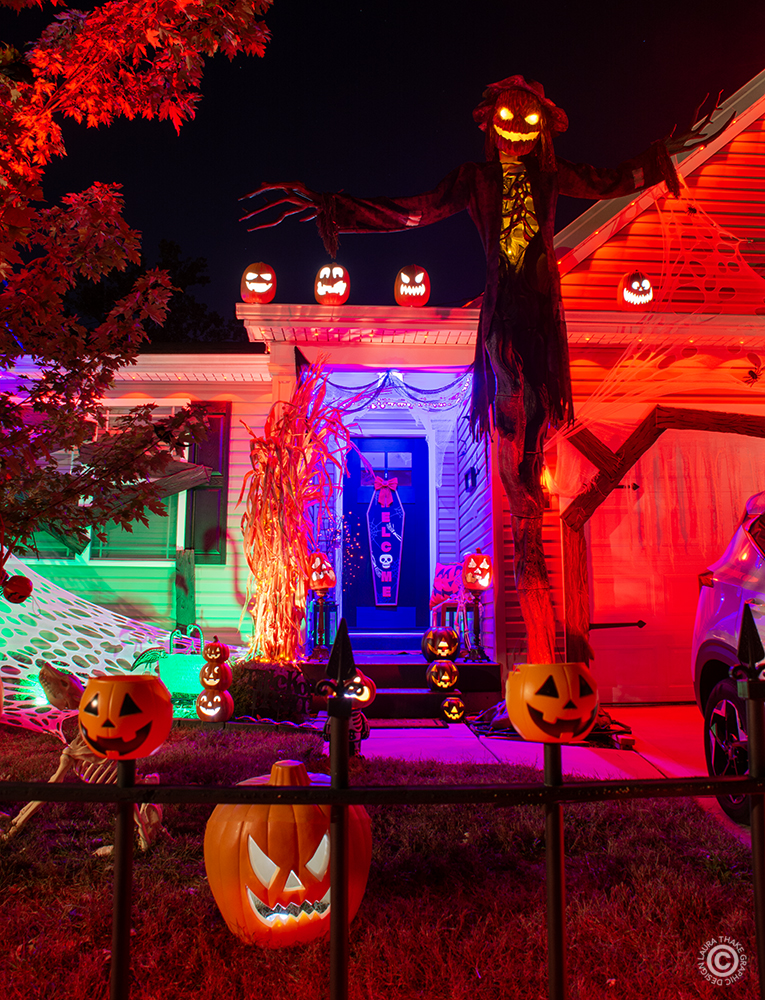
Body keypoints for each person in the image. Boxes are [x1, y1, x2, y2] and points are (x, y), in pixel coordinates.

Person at [243, 75, 728, 662]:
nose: (518, 130)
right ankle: (521, 483)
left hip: (544, 306)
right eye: (509, 117)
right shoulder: (476, 181)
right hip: (502, 308)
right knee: (506, 395)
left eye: (530, 121)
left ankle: (531, 480)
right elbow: (416, 211)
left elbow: (609, 181)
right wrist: (341, 209)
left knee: (543, 407)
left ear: (543, 127)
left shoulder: (553, 176)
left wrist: (655, 161)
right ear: (489, 121)